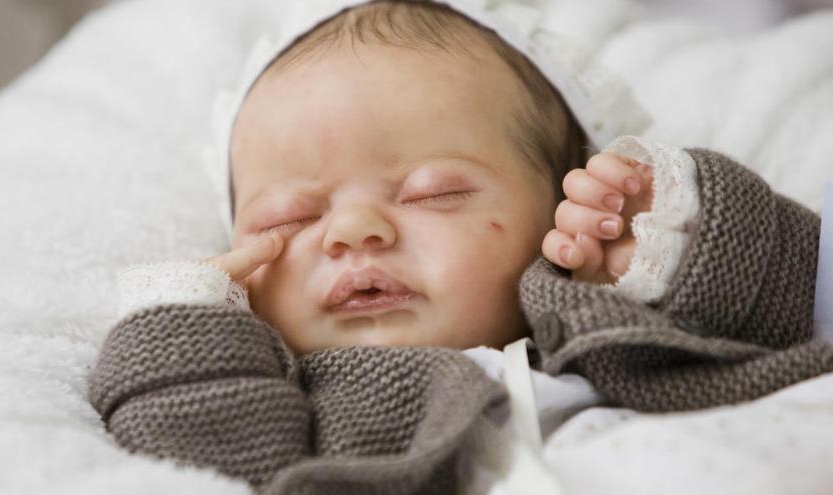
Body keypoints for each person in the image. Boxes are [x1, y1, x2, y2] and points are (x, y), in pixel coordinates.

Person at [88, 1, 830, 492]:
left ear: (559, 202)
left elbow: (795, 294)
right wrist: (183, 319)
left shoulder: (612, 316)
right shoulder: (306, 411)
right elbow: (189, 452)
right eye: (288, 217)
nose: (350, 231)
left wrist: (671, 237)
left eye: (433, 191)